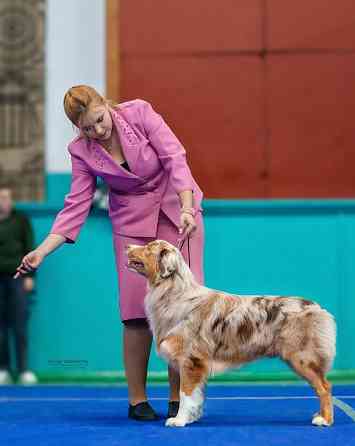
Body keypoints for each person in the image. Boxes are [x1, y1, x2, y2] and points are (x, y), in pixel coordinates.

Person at [15, 85, 205, 420]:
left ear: (106, 105)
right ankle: (137, 401)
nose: (98, 131)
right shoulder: (81, 151)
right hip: (131, 224)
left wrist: (188, 208)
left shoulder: (140, 113)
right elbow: (76, 205)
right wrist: (42, 251)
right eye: (87, 128)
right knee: (135, 315)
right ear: (78, 128)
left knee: (182, 312)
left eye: (100, 121)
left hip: (178, 214)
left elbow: (174, 157)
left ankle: (181, 399)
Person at [0, 185, 38, 385]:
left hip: (18, 278)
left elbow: (30, 246)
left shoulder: (21, 220)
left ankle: (24, 369)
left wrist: (30, 276)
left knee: (19, 325)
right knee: (0, 327)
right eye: (0, 198)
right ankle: (3, 369)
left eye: (6, 197)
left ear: (11, 200)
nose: (2, 201)